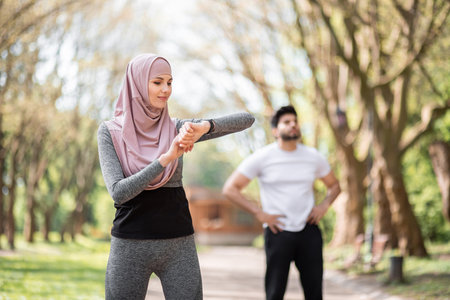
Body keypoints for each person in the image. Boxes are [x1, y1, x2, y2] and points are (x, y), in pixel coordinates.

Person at [97, 53, 255, 300]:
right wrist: (166, 158)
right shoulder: (109, 132)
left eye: (170, 82)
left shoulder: (177, 128)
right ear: (137, 83)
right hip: (130, 245)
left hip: (178, 244)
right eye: (157, 82)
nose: (166, 89)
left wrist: (206, 126)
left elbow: (247, 120)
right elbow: (118, 191)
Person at [223, 105, 340, 300]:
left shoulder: (313, 157)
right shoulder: (262, 157)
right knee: (274, 293)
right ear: (275, 131)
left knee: (315, 294)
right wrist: (259, 213)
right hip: (278, 232)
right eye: (287, 122)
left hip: (309, 230)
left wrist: (324, 206)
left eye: (295, 121)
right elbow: (230, 189)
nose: (293, 125)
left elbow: (335, 186)